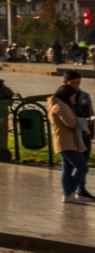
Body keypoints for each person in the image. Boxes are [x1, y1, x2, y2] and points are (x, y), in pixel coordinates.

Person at [50, 71, 89, 204]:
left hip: (67, 141)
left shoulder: (61, 105)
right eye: (72, 97)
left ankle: (68, 194)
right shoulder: (61, 107)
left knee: (67, 169)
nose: (74, 99)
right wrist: (84, 121)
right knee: (82, 167)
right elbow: (71, 123)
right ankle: (69, 192)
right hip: (65, 142)